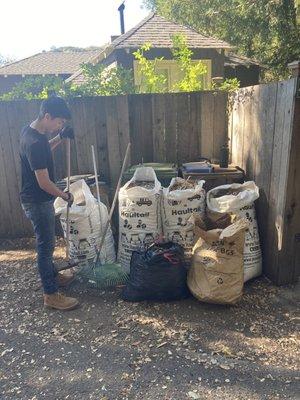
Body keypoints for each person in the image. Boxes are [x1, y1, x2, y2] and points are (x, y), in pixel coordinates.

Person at [19, 96, 79, 311]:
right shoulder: (34, 142)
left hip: (37, 200)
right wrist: (64, 195)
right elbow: (44, 182)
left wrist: (60, 138)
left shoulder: (34, 132)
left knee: (47, 244)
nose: (59, 126)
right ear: (47, 116)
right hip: (37, 201)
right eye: (59, 122)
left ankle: (53, 276)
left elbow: (44, 152)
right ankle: (51, 295)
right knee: (46, 248)